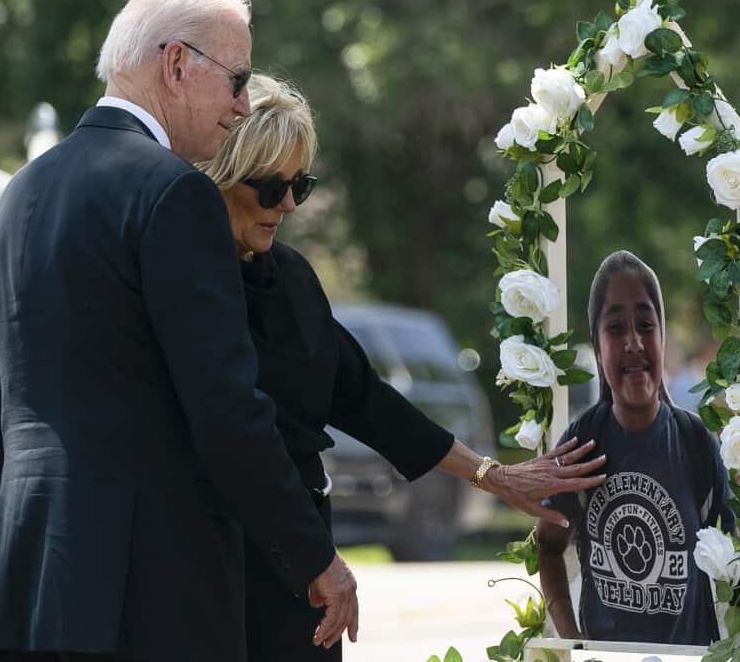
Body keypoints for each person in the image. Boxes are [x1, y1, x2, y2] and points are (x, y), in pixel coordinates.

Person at [0, 0, 395, 662]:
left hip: (30, 590)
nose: (240, 106)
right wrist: (313, 555)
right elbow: (225, 406)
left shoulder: (17, 196)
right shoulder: (175, 195)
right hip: (153, 598)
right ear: (174, 64)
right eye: (236, 80)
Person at [195, 73, 607, 661]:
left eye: (301, 186)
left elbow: (366, 399)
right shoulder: (191, 283)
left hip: (300, 557)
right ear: (220, 176)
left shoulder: (289, 277)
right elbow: (237, 434)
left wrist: (496, 476)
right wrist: (316, 556)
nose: (287, 204)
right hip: (222, 555)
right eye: (269, 187)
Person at [535, 251, 733, 645]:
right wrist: (573, 639)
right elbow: (548, 545)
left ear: (662, 336)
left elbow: (735, 555)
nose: (633, 342)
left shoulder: (694, 440)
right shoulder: (581, 443)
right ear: (596, 343)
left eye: (645, 325)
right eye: (615, 328)